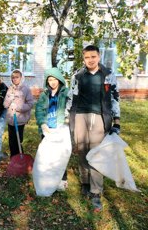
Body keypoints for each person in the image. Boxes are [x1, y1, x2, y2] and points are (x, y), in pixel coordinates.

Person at [66, 45, 121, 212]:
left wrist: (117, 121)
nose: (90, 60)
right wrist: (67, 119)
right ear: (83, 59)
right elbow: (71, 96)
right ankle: (85, 182)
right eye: (87, 57)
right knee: (82, 150)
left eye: (93, 56)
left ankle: (96, 192)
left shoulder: (108, 75)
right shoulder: (78, 75)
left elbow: (115, 98)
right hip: (80, 116)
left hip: (100, 117)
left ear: (99, 57)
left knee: (97, 154)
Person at [35, 67, 69, 191]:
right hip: (47, 129)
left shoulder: (65, 92)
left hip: (60, 129)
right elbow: (39, 110)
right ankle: (48, 178)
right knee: (47, 155)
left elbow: (70, 108)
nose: (52, 82)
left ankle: (62, 180)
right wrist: (42, 124)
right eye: (50, 80)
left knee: (60, 155)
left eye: (55, 79)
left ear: (59, 79)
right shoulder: (44, 94)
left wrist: (66, 121)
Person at [3, 69, 34, 157]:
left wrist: (18, 107)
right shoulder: (10, 89)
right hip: (11, 119)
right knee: (11, 141)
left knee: (18, 140)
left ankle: (20, 157)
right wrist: (9, 99)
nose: (15, 79)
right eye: (13, 77)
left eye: (17, 77)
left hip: (20, 119)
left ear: (21, 78)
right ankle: (13, 159)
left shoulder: (26, 89)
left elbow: (30, 104)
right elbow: (5, 104)